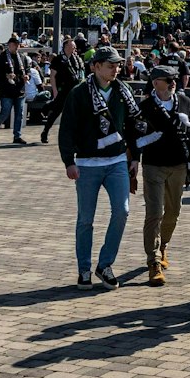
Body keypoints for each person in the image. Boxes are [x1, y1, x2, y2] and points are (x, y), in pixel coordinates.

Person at [56, 46, 140, 289]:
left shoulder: (123, 91)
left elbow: (134, 125)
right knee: (85, 219)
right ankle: (84, 269)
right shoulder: (79, 92)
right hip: (86, 163)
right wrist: (69, 161)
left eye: (117, 65)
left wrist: (135, 157)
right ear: (95, 67)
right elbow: (67, 128)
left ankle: (105, 264)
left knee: (122, 211)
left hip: (116, 162)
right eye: (110, 65)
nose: (116, 69)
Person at [134, 66, 190, 285]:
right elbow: (135, 134)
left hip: (179, 165)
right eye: (167, 79)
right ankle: (154, 262)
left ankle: (163, 245)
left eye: (174, 79)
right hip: (153, 165)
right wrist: (132, 163)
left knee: (173, 211)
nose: (172, 82)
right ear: (154, 83)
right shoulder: (145, 107)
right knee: (154, 213)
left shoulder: (184, 102)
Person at [0, 37, 29, 145]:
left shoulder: (22, 57)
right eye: (15, 45)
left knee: (19, 113)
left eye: (18, 45)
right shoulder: (1, 58)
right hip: (6, 90)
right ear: (10, 45)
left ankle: (17, 136)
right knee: (5, 112)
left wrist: (27, 76)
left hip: (20, 89)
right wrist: (6, 76)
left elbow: (27, 69)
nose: (17, 47)